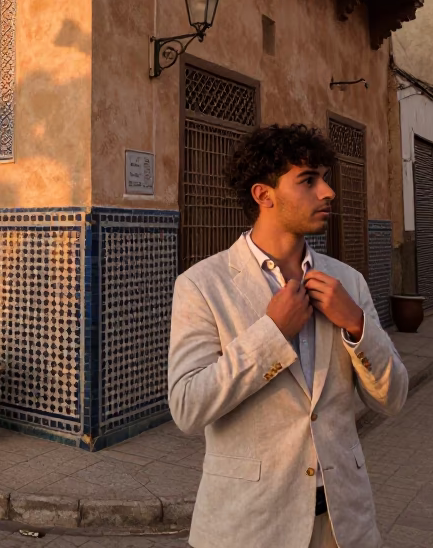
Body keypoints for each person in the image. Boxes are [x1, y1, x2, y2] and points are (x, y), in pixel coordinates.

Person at [168, 124, 407, 548]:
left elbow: (392, 399)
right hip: (251, 526)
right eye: (308, 180)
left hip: (341, 524)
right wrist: (272, 333)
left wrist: (356, 326)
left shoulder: (346, 282)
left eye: (326, 179)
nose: (328, 192)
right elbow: (188, 407)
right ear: (264, 195)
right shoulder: (203, 284)